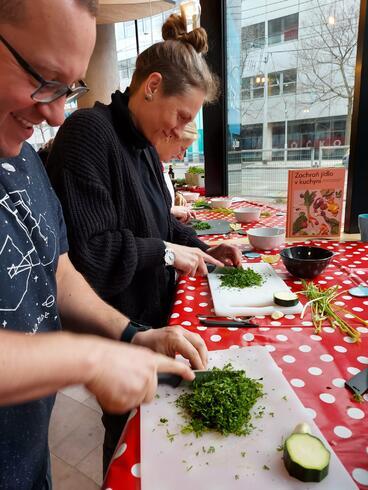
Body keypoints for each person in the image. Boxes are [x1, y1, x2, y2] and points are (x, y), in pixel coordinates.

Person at [0, 2, 207, 488]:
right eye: (44, 78)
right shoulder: (89, 134)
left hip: (26, 455)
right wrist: (89, 358)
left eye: (66, 89)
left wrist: (131, 334)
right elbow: (101, 252)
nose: (55, 114)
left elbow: (57, 269)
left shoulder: (23, 160)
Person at [47, 13, 242, 473]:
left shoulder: (144, 151)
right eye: (182, 116)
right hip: (117, 326)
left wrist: (205, 248)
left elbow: (163, 227)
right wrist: (169, 254)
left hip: (155, 320)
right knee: (127, 434)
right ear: (151, 86)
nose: (181, 132)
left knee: (165, 432)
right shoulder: (88, 134)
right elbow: (89, 252)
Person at [158, 120, 198, 224]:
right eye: (182, 148)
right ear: (169, 137)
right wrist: (170, 211)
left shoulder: (157, 164)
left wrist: (175, 196)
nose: (180, 157)